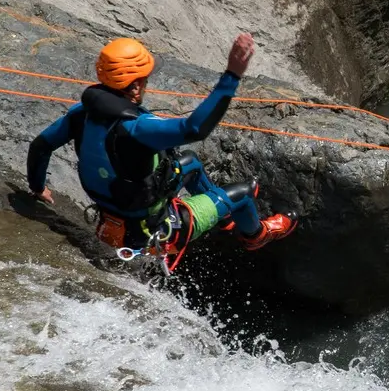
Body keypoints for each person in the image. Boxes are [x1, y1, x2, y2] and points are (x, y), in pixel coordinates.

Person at [26, 34, 297, 269]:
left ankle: (224, 219)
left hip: (111, 213)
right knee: (245, 192)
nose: (146, 84)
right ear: (134, 86)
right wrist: (232, 75)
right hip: (154, 232)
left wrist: (38, 187)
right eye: (144, 80)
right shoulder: (137, 129)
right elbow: (194, 128)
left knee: (190, 163)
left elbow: (41, 146)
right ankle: (256, 235)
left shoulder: (80, 114)